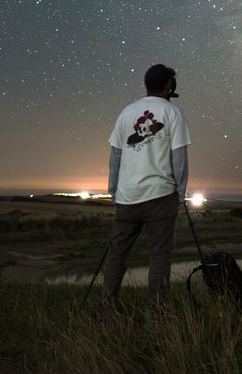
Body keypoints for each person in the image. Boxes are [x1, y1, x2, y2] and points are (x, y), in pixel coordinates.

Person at [100, 63, 192, 309]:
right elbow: (179, 158)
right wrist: (180, 193)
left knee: (116, 253)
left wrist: (113, 190)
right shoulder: (173, 113)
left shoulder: (126, 112)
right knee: (160, 255)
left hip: (126, 197)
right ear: (168, 86)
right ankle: (157, 312)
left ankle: (106, 308)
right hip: (161, 196)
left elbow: (115, 156)